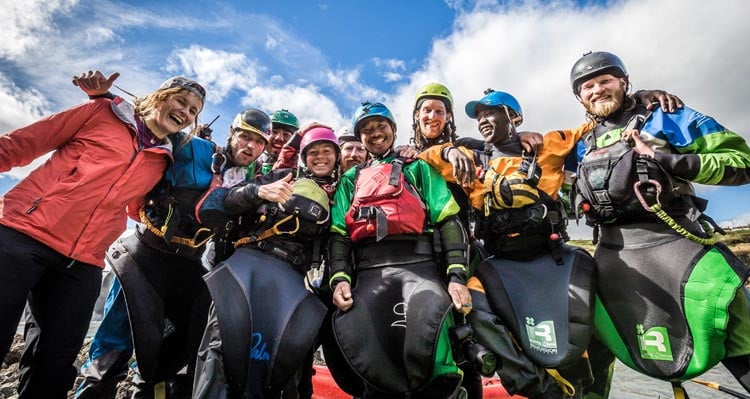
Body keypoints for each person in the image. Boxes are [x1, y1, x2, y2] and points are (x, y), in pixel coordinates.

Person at [0, 70, 205, 398]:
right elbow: (22, 145)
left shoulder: (164, 159)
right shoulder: (100, 113)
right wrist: (105, 99)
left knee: (55, 362)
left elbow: (133, 209)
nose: (186, 111)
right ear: (159, 96)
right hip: (22, 234)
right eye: (181, 100)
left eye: (194, 110)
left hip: (83, 261)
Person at [569, 50, 750, 397]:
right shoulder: (580, 144)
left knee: (738, 333)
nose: (597, 90)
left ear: (623, 82)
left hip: (680, 247)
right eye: (587, 86)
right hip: (615, 259)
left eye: (605, 80)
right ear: (580, 98)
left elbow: (742, 161)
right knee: (593, 353)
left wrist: (668, 160)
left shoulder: (666, 116)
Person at [74, 88, 267, 399]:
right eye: (245, 136)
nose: (250, 145)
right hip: (144, 254)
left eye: (258, 142)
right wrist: (105, 95)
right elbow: (153, 125)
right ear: (233, 133)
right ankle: (93, 392)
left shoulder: (249, 184)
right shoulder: (193, 147)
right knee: (114, 343)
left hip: (188, 264)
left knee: (175, 349)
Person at [324, 101, 472, 399]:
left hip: (419, 267)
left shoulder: (418, 168)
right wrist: (339, 278)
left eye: (381, 127)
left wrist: (456, 276)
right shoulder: (350, 180)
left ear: (393, 130)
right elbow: (339, 234)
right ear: (360, 139)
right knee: (373, 357)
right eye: (367, 130)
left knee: (432, 334)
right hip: (369, 273)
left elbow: (448, 219)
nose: (375, 134)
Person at [193, 125, 340, 398]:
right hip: (247, 264)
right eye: (313, 152)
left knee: (281, 367)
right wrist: (259, 192)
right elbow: (225, 201)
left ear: (336, 157)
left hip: (293, 279)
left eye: (326, 152)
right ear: (303, 157)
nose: (320, 157)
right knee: (219, 351)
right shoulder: (281, 176)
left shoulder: (340, 193)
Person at [260, 109, 300, 175]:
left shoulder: (300, 175)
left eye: (286, 134)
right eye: (274, 132)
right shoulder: (246, 166)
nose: (279, 138)